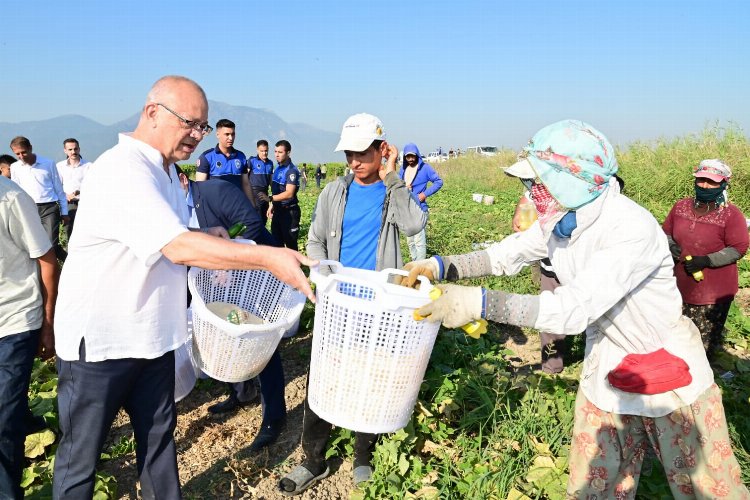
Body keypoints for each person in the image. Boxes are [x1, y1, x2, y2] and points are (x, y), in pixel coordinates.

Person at [403, 120, 749, 498]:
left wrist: (478, 302)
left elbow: (572, 310)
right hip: (608, 363)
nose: (531, 192)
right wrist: (440, 266)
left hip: (666, 367)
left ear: (574, 180)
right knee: (596, 487)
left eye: (538, 182)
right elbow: (506, 254)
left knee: (706, 486)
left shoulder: (630, 228)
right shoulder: (560, 219)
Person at [52, 75, 316, 499]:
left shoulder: (168, 172)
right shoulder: (123, 168)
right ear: (152, 112)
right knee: (80, 459)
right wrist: (269, 256)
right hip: (101, 345)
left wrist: (211, 233)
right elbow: (175, 246)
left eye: (203, 127)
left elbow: (175, 233)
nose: (197, 135)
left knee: (158, 446)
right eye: (189, 123)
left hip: (152, 337)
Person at [278, 113, 427, 495]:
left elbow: (413, 225)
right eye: (349, 154)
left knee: (370, 382)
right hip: (339, 305)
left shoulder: (393, 193)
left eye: (363, 153)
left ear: (382, 149)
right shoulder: (334, 192)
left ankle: (363, 456)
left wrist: (394, 176)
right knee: (322, 382)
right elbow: (313, 241)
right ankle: (313, 460)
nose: (355, 162)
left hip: (378, 308)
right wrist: (321, 273)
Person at [175, 167, 288, 448]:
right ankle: (241, 392)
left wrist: (229, 261)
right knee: (221, 332)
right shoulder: (170, 208)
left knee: (259, 339)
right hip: (216, 278)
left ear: (182, 179)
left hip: (255, 274)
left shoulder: (216, 191)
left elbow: (252, 224)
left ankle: (274, 416)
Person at [0, 175, 58, 500]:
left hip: (14, 320)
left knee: (2, 423)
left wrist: (49, 323)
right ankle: (27, 420)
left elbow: (47, 259)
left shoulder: (11, 198)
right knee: (9, 408)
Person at [663, 160, 749, 360]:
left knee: (702, 346)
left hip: (713, 290)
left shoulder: (731, 214)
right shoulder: (681, 207)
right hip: (679, 284)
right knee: (677, 337)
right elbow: (666, 232)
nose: (704, 185)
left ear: (724, 184)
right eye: (701, 180)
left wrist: (707, 260)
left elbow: (739, 247)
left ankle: (703, 379)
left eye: (711, 182)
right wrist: (670, 244)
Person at [9, 136, 69, 261]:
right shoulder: (15, 167)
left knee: (51, 245)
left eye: (24, 152)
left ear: (30, 148)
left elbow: (59, 189)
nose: (21, 156)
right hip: (28, 209)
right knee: (35, 247)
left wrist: (64, 212)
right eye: (17, 154)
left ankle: (71, 267)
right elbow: (16, 192)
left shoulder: (48, 163)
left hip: (49, 208)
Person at [398, 143, 443, 260]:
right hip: (407, 209)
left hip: (419, 209)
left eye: (413, 156)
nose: (411, 159)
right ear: (405, 157)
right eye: (408, 157)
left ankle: (421, 268)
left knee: (419, 241)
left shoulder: (425, 168)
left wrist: (424, 194)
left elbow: (438, 182)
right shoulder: (403, 169)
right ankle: (414, 264)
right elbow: (398, 185)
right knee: (410, 241)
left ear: (417, 155)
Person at [195, 118, 254, 201]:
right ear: (218, 135)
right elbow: (199, 188)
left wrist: (252, 206)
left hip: (237, 207)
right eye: (227, 134)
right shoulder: (206, 157)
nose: (230, 138)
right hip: (215, 208)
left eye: (233, 134)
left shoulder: (241, 157)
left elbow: (246, 184)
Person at [56, 138, 91, 244]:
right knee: (69, 230)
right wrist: (65, 195)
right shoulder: (60, 166)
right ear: (65, 151)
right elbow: (57, 185)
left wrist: (78, 192)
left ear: (79, 149)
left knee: (86, 230)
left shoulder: (89, 165)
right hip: (68, 203)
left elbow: (91, 185)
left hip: (85, 202)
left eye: (75, 149)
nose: (73, 152)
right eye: (70, 149)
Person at [268, 140, 301, 250]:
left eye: (280, 152)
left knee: (291, 244)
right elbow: (277, 190)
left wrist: (271, 198)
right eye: (275, 151)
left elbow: (289, 193)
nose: (277, 155)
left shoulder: (291, 171)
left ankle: (296, 267)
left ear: (288, 153)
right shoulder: (277, 168)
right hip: (278, 211)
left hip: (289, 213)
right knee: (277, 243)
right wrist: (272, 205)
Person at [247, 139, 274, 226]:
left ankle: (262, 237)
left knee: (263, 217)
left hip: (265, 192)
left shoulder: (270, 163)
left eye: (266, 151)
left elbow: (271, 181)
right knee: (255, 218)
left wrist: (273, 197)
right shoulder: (252, 161)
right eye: (262, 151)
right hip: (254, 192)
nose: (264, 153)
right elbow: (245, 178)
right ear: (257, 150)